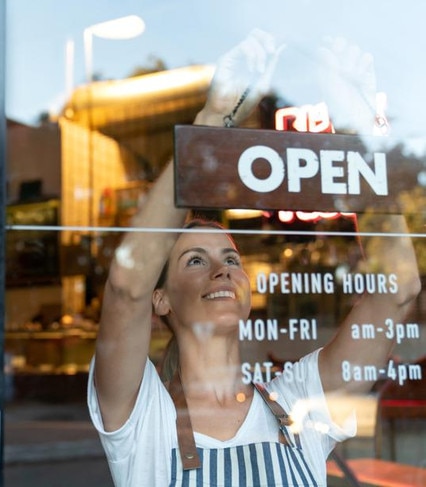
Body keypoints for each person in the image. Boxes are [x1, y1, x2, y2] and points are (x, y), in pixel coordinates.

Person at [87, 30, 421, 486]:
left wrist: (353, 125)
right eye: (195, 261)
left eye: (231, 258)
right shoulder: (140, 413)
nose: (222, 268)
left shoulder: (298, 401)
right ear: (160, 299)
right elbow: (126, 286)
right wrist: (212, 118)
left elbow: (398, 291)